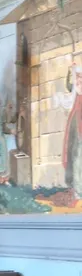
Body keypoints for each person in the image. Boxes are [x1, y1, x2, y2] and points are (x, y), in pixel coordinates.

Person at [63, 63, 82, 200]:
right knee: (74, 156)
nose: (78, 81)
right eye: (78, 78)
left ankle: (78, 189)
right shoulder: (76, 91)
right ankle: (76, 188)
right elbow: (69, 86)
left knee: (78, 158)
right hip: (75, 127)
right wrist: (70, 71)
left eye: (80, 78)